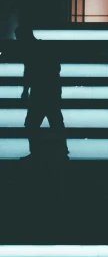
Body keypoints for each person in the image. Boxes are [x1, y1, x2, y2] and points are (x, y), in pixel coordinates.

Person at [15, 25, 69, 161]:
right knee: (55, 121)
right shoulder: (44, 48)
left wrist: (25, 91)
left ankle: (36, 152)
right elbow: (56, 68)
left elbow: (28, 72)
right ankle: (62, 150)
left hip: (40, 91)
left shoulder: (29, 51)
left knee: (33, 123)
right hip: (50, 89)